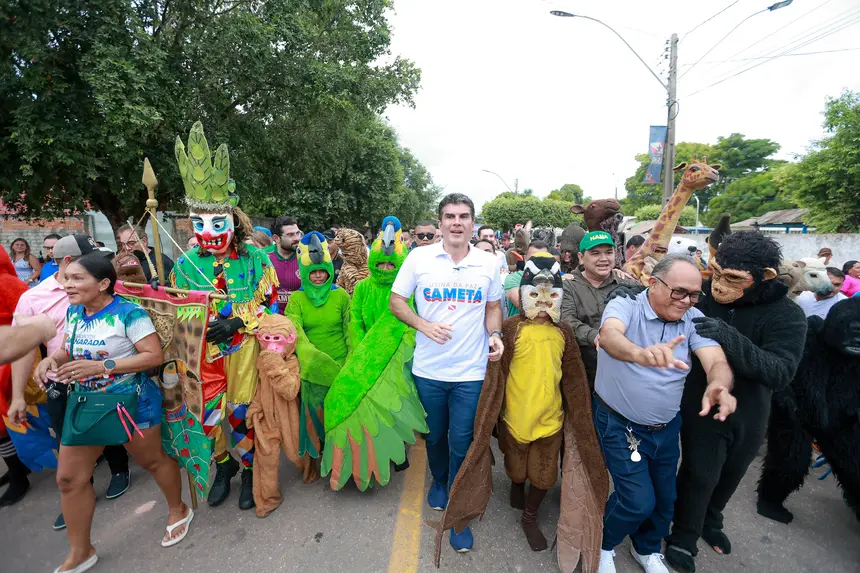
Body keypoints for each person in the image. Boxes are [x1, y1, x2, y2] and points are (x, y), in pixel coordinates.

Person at [18, 254, 192, 573]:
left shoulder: (129, 314)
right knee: (69, 478)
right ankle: (81, 550)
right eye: (65, 277)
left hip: (132, 402)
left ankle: (178, 509)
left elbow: (153, 357)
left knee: (153, 461)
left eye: (76, 279)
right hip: (85, 404)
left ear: (103, 284)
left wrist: (102, 366)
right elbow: (67, 349)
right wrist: (49, 360)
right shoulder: (74, 312)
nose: (67, 284)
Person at [434, 252, 608, 567]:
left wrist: (580, 415)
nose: (543, 302)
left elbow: (573, 378)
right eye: (535, 294)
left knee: (543, 476)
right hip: (514, 420)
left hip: (550, 421)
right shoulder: (511, 328)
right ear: (524, 294)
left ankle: (530, 516)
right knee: (515, 468)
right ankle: (516, 485)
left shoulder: (564, 332)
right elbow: (496, 374)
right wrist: (490, 412)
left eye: (551, 295)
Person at [665, 232, 808, 573]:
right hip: (703, 399)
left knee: (731, 473)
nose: (719, 285)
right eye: (716, 272)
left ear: (764, 278)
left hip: (752, 407)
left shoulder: (787, 315)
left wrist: (728, 336)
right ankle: (683, 535)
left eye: (733, 279)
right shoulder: (704, 295)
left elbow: (779, 372)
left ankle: (710, 521)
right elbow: (667, 302)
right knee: (700, 472)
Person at [595, 254, 735, 573]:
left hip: (666, 427)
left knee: (664, 498)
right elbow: (610, 336)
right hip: (621, 423)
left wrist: (719, 386)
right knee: (636, 501)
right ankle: (603, 542)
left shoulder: (693, 318)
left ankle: (647, 549)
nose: (686, 301)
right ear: (653, 283)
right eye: (679, 292)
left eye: (694, 294)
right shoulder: (626, 304)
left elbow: (716, 361)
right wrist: (639, 354)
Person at [172, 121, 278, 510]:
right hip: (202, 354)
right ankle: (222, 466)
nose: (208, 231)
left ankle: (248, 469)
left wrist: (237, 320)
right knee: (207, 413)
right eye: (199, 223)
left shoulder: (254, 258)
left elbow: (270, 303)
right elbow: (177, 310)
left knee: (240, 410)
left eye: (217, 223)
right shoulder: (184, 264)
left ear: (233, 221)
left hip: (244, 348)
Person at [390, 193, 504, 553]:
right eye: (450, 216)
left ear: (473, 222)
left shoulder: (488, 263)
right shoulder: (419, 258)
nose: (457, 222)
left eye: (464, 216)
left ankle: (457, 509)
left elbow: (494, 306)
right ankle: (438, 479)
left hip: (470, 372)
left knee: (463, 441)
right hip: (429, 371)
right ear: (440, 223)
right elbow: (396, 302)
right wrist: (422, 324)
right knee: (436, 437)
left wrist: (496, 334)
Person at [9, 234, 132, 529]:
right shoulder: (33, 299)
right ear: (67, 263)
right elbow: (21, 348)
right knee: (69, 439)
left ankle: (119, 470)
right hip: (60, 383)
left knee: (108, 429)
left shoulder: (105, 286)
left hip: (103, 376)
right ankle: (78, 491)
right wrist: (17, 396)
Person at [322, 217, 427, 489]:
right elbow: (354, 320)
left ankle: (399, 448)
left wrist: (400, 349)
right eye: (380, 263)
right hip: (365, 354)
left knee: (394, 401)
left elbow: (413, 321)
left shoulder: (407, 289)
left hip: (396, 356)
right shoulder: (364, 288)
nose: (385, 267)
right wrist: (362, 351)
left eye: (390, 264)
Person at [284, 231, 351, 483]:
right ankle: (316, 461)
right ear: (305, 272)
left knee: (340, 416)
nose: (319, 275)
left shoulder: (341, 296)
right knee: (315, 417)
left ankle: (342, 463)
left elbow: (349, 328)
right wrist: (312, 359)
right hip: (311, 369)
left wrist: (351, 360)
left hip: (341, 366)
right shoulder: (297, 299)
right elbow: (295, 333)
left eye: (322, 270)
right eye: (313, 272)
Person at [561, 231, 638, 389]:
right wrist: (596, 337)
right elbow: (567, 321)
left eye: (608, 252)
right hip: (583, 372)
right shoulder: (568, 285)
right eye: (595, 253)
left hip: (626, 370)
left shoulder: (629, 284)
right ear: (581, 257)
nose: (603, 259)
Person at [504, 241, 549, 318]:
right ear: (525, 259)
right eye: (532, 259)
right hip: (519, 328)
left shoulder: (556, 279)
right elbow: (525, 306)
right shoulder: (514, 278)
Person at [269, 216, 303, 313]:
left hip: (300, 320)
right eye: (290, 235)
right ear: (276, 238)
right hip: (271, 321)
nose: (297, 238)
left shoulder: (306, 258)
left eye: (298, 233)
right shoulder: (263, 259)